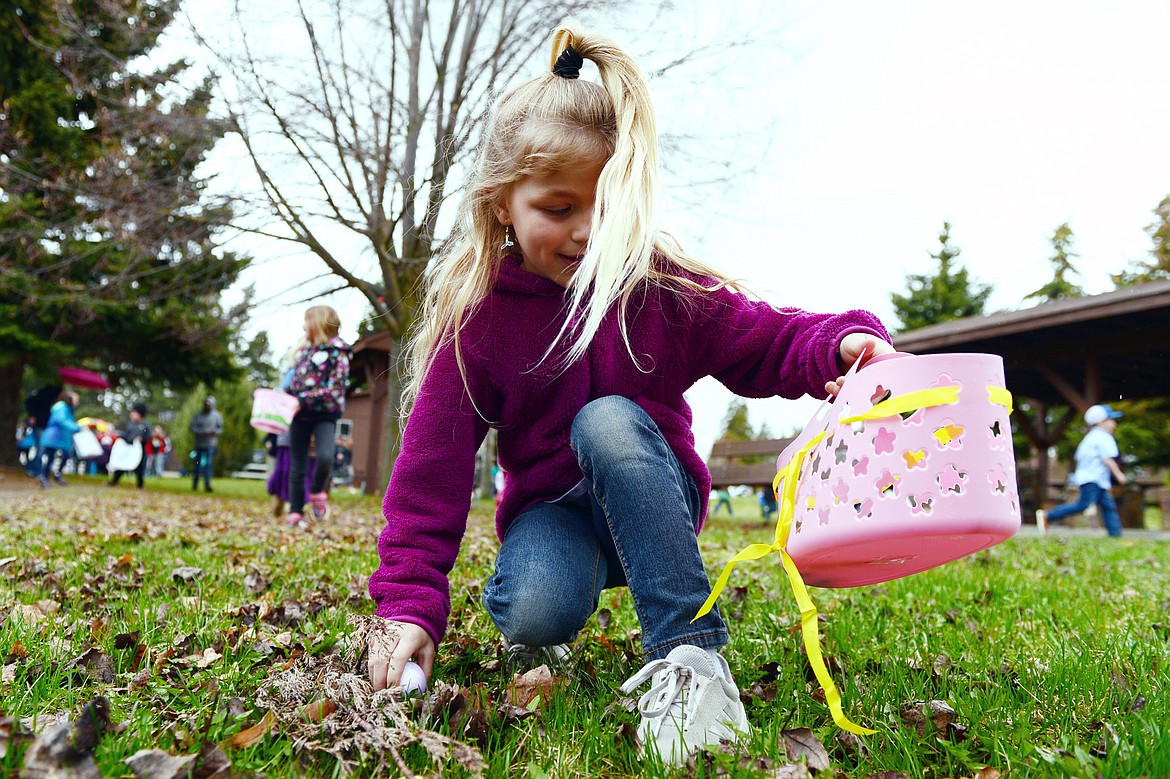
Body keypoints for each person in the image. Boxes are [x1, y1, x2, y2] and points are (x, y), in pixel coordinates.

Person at [363, 22, 893, 766]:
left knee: (606, 418)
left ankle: (691, 657)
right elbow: (430, 477)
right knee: (533, 616)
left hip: (653, 492)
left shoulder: (658, 288)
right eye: (558, 208)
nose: (586, 232)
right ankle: (559, 594)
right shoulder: (478, 323)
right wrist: (408, 603)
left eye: (606, 207)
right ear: (501, 204)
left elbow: (766, 336)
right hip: (557, 515)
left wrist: (837, 344)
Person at [284, 305, 352, 525]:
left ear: (318, 323)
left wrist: (301, 400)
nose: (304, 327)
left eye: (307, 321)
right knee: (297, 465)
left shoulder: (338, 352)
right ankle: (295, 510)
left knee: (325, 457)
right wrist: (287, 397)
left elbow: (335, 389)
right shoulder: (304, 352)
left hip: (325, 414)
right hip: (300, 416)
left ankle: (316, 492)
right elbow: (294, 383)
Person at [1039, 404, 1128, 537]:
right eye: (1110, 420)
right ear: (1100, 422)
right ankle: (1048, 515)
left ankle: (1115, 534)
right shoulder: (1103, 437)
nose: (1113, 424)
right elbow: (1108, 459)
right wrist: (1119, 475)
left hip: (1091, 478)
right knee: (1083, 505)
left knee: (1108, 506)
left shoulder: (1090, 438)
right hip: (1093, 478)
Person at [265, 430, 314, 518]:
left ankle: (294, 505)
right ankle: (280, 503)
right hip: (286, 442)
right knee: (284, 473)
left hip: (303, 441)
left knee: (299, 473)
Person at [37, 390, 80, 488]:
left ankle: (56, 474)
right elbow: (61, 420)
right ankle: (45, 478)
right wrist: (75, 427)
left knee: (66, 455)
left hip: (62, 437)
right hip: (54, 436)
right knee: (50, 458)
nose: (77, 401)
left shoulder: (68, 409)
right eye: (75, 399)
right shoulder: (61, 407)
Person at [109, 404, 150, 489]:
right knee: (122, 466)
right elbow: (126, 435)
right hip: (129, 450)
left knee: (139, 469)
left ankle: (140, 485)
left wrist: (141, 439)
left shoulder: (145, 426)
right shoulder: (130, 425)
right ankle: (114, 481)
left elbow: (148, 437)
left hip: (139, 451)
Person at [23, 384, 61, 477]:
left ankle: (33, 468)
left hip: (44, 426)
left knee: (42, 449)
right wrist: (32, 415)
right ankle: (35, 470)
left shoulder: (49, 400)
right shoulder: (44, 397)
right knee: (41, 449)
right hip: (40, 426)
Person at [189, 396, 223, 492]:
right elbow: (192, 427)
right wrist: (203, 431)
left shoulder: (217, 416)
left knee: (208, 465)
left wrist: (214, 432)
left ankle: (207, 484)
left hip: (210, 444)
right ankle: (195, 484)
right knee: (197, 464)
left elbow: (220, 429)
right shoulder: (198, 415)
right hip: (199, 444)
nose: (207, 406)